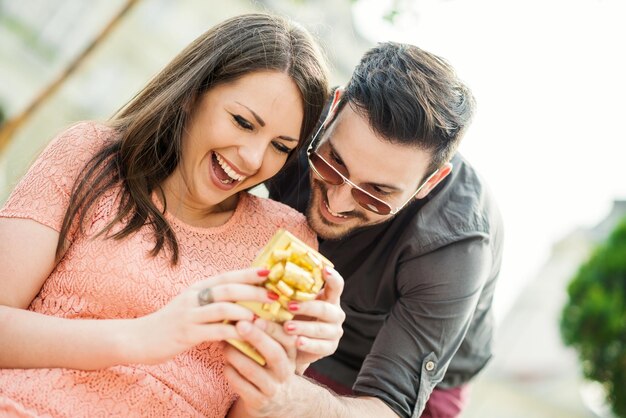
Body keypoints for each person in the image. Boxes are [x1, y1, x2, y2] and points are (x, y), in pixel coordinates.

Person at [0, 13, 345, 418]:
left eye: (280, 146)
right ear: (192, 93)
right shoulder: (89, 155)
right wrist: (144, 337)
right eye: (242, 122)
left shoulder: (286, 239)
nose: (253, 159)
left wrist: (282, 374)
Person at [223, 42, 504, 418]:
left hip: (413, 380)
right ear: (333, 108)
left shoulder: (456, 246)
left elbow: (391, 405)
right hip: (296, 318)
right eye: (332, 164)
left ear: (430, 183)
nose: (337, 204)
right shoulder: (297, 118)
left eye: (377, 194)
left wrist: (290, 399)